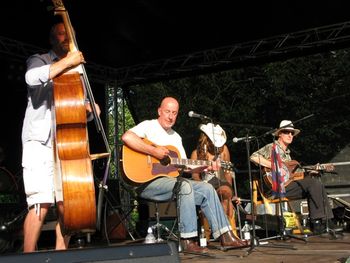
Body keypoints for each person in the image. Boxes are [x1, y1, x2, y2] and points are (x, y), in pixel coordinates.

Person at [121, 97, 249, 253]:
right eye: (167, 111)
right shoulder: (149, 126)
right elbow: (127, 137)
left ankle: (226, 236)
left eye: (174, 113)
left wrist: (202, 168)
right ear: (159, 111)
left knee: (207, 188)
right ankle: (188, 240)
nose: (170, 116)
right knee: (184, 185)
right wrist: (154, 151)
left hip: (172, 183)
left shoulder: (176, 137)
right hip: (147, 182)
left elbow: (184, 167)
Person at [21, 21, 100, 252]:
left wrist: (89, 110)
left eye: (69, 34)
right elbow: (31, 79)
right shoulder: (40, 60)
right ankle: (27, 256)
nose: (66, 37)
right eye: (61, 33)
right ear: (52, 39)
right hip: (40, 142)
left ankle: (60, 254)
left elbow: (74, 106)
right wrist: (68, 62)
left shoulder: (76, 70)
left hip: (67, 143)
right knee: (40, 203)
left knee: (67, 205)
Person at [250, 120, 342, 234]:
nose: (290, 135)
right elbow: (253, 157)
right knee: (313, 184)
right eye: (287, 132)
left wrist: (312, 171)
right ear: (279, 134)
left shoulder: (288, 155)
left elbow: (293, 176)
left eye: (292, 133)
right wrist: (273, 165)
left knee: (317, 185)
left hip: (286, 186)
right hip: (274, 188)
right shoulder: (272, 147)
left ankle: (325, 222)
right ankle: (317, 223)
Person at [190, 123, 242, 238]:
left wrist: (231, 191)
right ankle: (211, 235)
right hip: (205, 183)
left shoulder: (224, 150)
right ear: (206, 140)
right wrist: (202, 186)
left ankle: (227, 233)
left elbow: (227, 172)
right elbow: (195, 176)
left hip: (220, 181)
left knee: (225, 193)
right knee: (209, 194)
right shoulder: (196, 153)